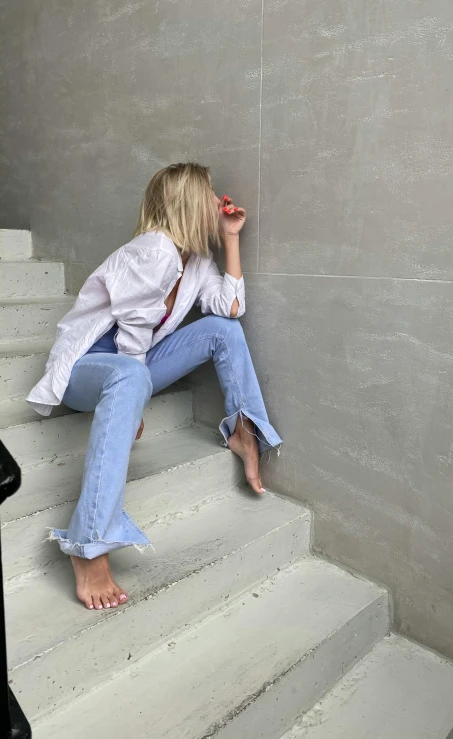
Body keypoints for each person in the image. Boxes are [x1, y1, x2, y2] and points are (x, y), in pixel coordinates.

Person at [26, 162, 283, 611]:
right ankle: (89, 544)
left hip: (133, 368)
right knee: (130, 374)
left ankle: (243, 429)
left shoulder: (196, 262)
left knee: (223, 330)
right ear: (187, 201)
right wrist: (135, 396)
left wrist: (231, 237)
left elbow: (232, 307)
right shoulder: (154, 251)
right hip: (88, 367)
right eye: (209, 193)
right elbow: (131, 333)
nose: (216, 200)